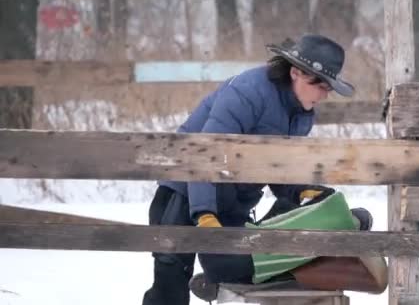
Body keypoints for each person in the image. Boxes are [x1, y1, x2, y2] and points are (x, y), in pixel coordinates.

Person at [142, 34, 366, 305]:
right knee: (171, 281)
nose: (322, 94)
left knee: (240, 267)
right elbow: (204, 153)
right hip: (183, 193)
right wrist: (204, 214)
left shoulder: (302, 115)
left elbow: (277, 166)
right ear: (295, 72)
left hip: (232, 201)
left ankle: (215, 279)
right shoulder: (246, 92)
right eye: (317, 85)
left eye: (327, 88)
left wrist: (299, 190)